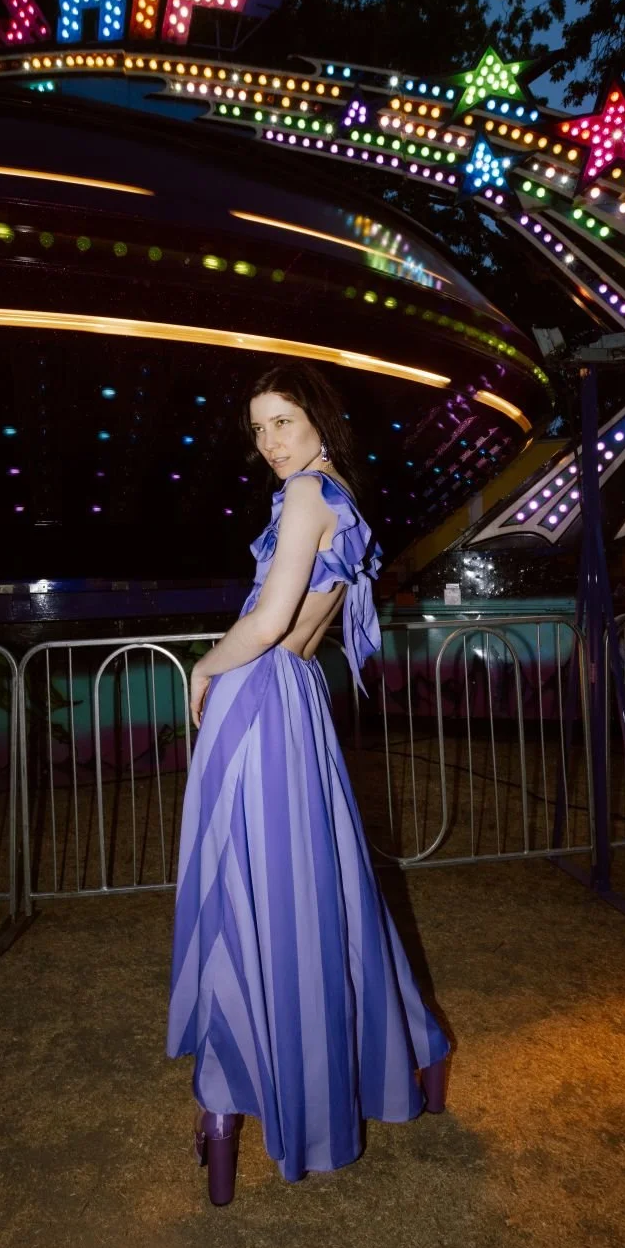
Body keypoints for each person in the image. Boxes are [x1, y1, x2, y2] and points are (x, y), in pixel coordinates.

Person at [166, 360, 450, 1204]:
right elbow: (304, 623)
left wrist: (203, 667)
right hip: (294, 701)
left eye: (282, 421)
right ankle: (418, 1050)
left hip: (259, 700)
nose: (269, 442)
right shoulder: (341, 498)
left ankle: (229, 1101)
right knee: (320, 891)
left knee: (244, 901)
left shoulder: (302, 497)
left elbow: (268, 621)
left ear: (320, 419)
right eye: (259, 429)